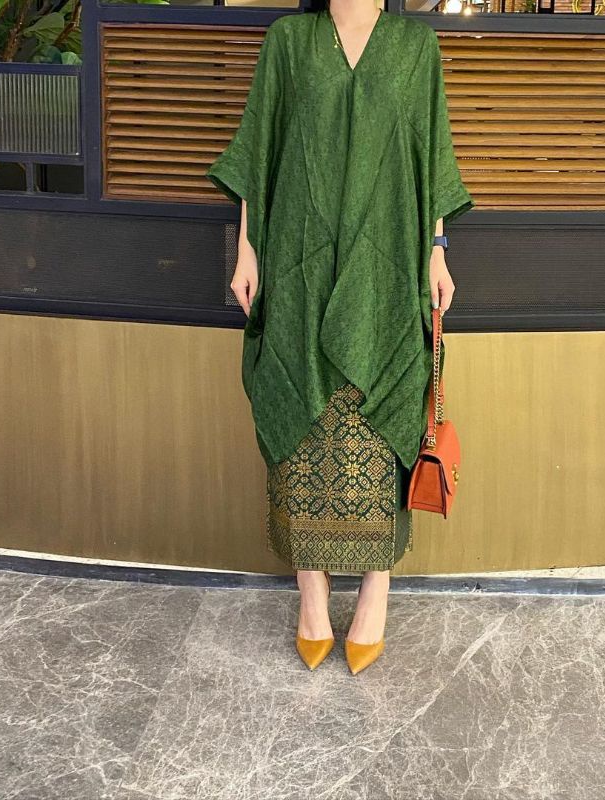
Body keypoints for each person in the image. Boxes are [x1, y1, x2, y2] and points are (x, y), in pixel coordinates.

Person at [206, 0, 473, 675]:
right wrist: (247, 249)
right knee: (304, 428)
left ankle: (376, 593)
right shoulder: (289, 41)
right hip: (299, 269)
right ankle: (312, 595)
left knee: (381, 433)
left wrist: (438, 249)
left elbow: (431, 154)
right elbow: (261, 149)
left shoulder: (415, 47)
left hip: (388, 269)